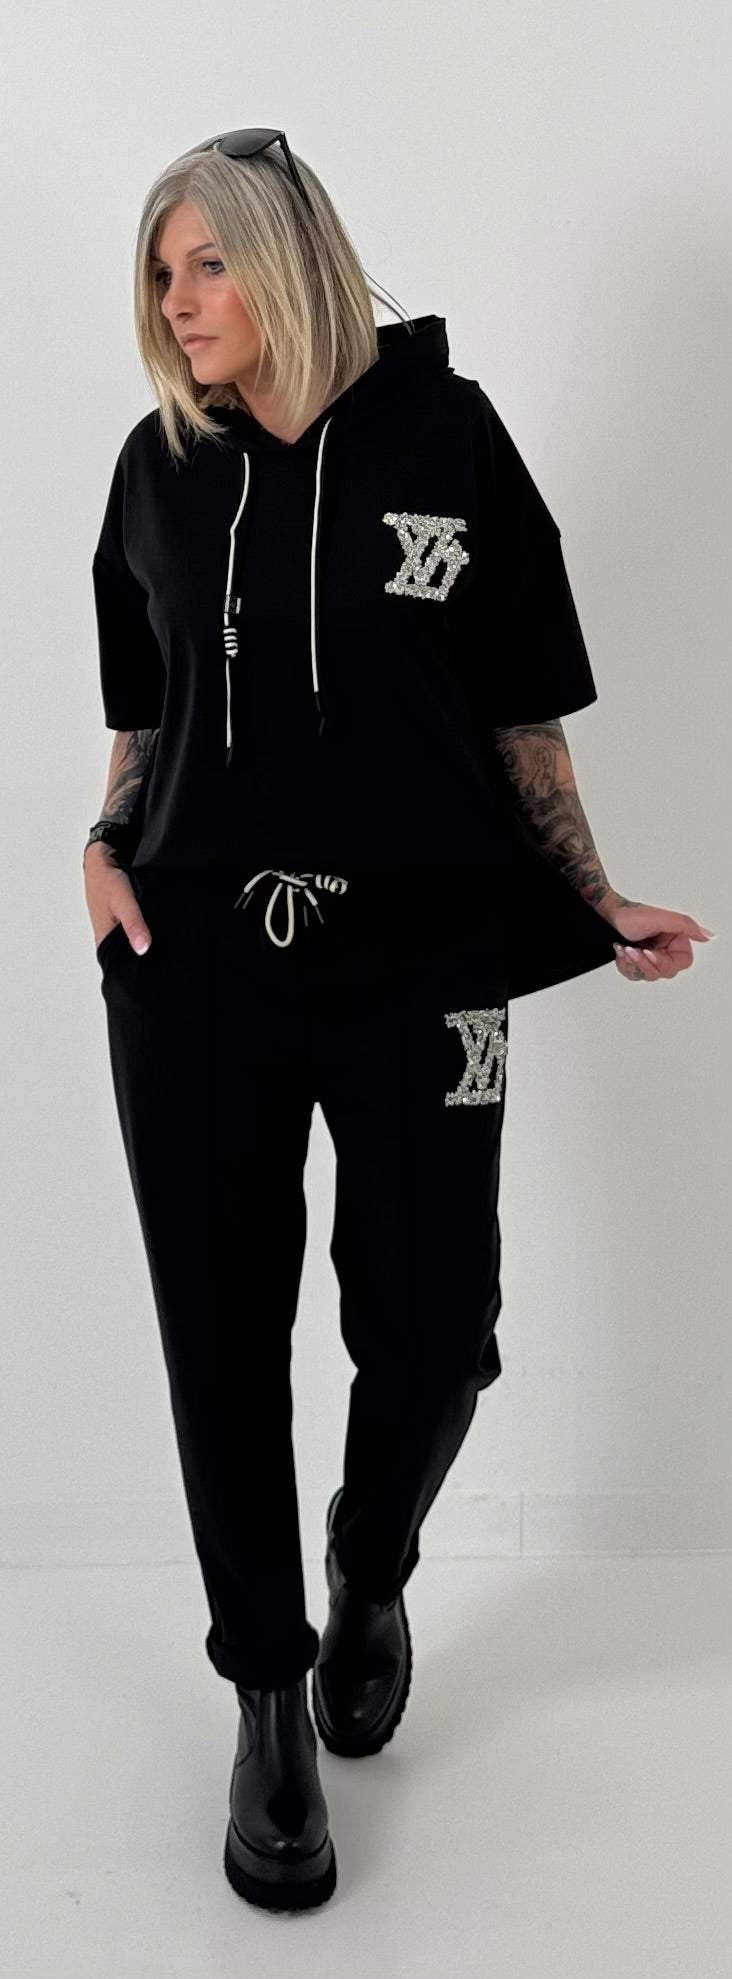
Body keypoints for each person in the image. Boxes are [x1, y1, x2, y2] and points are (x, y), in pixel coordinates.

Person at [83, 129, 714, 1914]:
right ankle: (266, 1695)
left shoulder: (453, 440)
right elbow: (145, 710)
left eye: (208, 262)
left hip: (426, 963)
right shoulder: (157, 466)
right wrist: (102, 847)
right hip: (195, 965)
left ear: (285, 254)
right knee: (220, 1339)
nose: (178, 302)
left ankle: (372, 1565)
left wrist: (592, 891)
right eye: (161, 272)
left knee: (440, 1331)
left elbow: (521, 715)